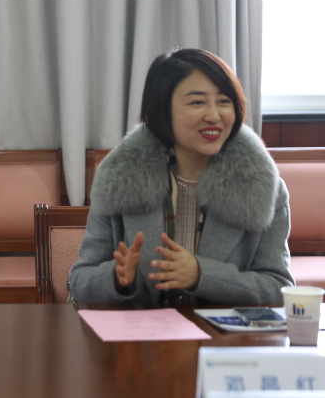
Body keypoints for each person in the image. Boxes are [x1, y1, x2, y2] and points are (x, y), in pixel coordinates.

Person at [68, 48, 294, 305]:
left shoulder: (265, 189)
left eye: (224, 101)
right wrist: (116, 278)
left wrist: (202, 274)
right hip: (143, 330)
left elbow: (279, 287)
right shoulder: (119, 180)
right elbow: (80, 280)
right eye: (197, 102)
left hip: (222, 331)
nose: (214, 116)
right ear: (162, 110)